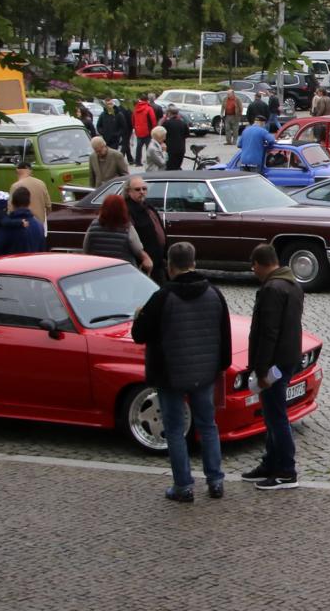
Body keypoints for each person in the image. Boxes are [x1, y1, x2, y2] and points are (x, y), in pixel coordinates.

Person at [132, 241, 230, 501]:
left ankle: (184, 486)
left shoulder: (162, 297)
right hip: (205, 373)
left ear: (170, 265)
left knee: (175, 430)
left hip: (170, 374)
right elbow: (225, 336)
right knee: (208, 426)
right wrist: (219, 367)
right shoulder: (214, 293)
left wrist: (138, 316)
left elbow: (139, 335)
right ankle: (216, 480)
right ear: (194, 262)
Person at [240, 244, 304, 489]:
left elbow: (268, 332)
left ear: (260, 263)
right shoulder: (292, 285)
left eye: (254, 264)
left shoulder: (271, 289)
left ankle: (286, 471)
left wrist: (261, 368)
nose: (253, 269)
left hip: (274, 364)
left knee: (276, 416)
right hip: (288, 359)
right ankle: (270, 462)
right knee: (272, 414)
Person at [83, 193, 153, 273]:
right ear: (123, 209)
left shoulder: (93, 226)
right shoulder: (127, 228)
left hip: (98, 272)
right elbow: (138, 250)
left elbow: (86, 249)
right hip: (123, 272)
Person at [121, 174, 170, 283]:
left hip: (158, 261)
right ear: (129, 191)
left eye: (144, 189)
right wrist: (144, 257)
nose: (142, 192)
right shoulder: (127, 210)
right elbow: (131, 239)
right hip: (144, 263)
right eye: (137, 189)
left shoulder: (148, 206)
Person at [0, 186, 46, 257]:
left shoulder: (8, 228)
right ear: (29, 203)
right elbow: (41, 253)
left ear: (12, 204)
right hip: (31, 266)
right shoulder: (39, 226)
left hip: (11, 266)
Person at [9, 159, 52, 239]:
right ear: (30, 171)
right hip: (39, 227)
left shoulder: (15, 186)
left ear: (17, 171)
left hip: (22, 227)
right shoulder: (41, 183)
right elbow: (48, 206)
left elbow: (11, 210)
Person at [131, 95, 160, 165]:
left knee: (139, 147)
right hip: (148, 131)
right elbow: (153, 120)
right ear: (147, 100)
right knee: (149, 147)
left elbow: (133, 119)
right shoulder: (149, 108)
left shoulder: (136, 108)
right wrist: (154, 129)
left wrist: (135, 127)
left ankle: (138, 162)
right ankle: (148, 161)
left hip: (138, 130)